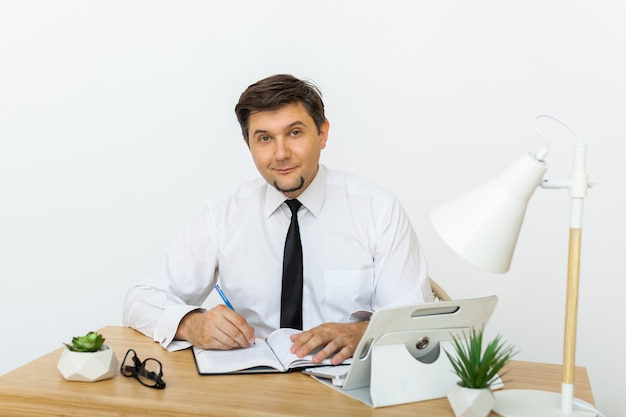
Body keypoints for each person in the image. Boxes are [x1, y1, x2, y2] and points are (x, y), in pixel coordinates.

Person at [123, 74, 433, 365]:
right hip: (251, 390)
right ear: (249, 145)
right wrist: (191, 323)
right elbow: (140, 301)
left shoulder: (378, 210)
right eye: (264, 138)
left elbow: (415, 321)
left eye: (294, 133)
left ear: (323, 133)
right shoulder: (224, 215)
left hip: (346, 387)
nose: (281, 153)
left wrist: (360, 333)